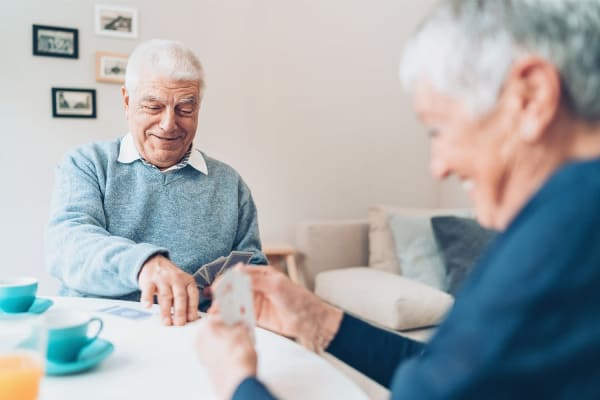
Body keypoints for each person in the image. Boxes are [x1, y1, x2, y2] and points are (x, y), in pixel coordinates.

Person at [196, 0, 600, 398]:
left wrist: (236, 381)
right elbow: (451, 373)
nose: (438, 167)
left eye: (438, 129)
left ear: (531, 97)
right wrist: (318, 320)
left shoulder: (557, 241)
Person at [46, 39, 267, 326]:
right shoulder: (87, 163)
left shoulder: (230, 185)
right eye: (153, 107)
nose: (168, 124)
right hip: (97, 333)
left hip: (195, 336)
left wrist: (234, 295)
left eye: (185, 109)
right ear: (127, 102)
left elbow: (252, 271)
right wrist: (145, 264)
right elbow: (68, 246)